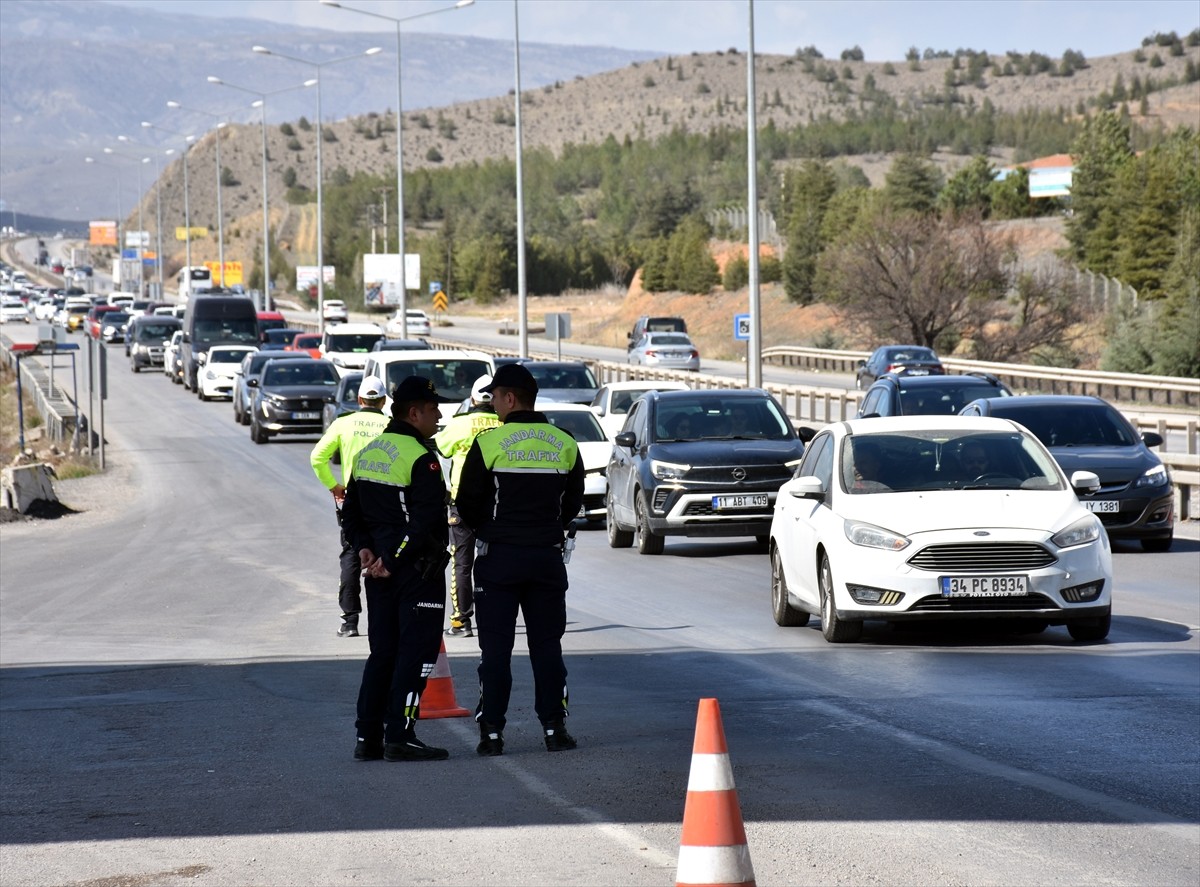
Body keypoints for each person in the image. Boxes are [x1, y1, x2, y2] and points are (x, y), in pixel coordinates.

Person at [455, 363, 585, 756]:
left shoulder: (490, 443)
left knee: (495, 650)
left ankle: (492, 733)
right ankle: (554, 730)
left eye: (494, 396)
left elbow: (466, 503)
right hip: (546, 558)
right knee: (547, 647)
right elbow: (573, 501)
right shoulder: (563, 441)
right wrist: (547, 530)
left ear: (510, 398)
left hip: (499, 560)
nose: (492, 404)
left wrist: (493, 531)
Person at [340, 376, 456, 762]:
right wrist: (389, 560)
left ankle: (366, 739)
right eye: (433, 408)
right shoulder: (422, 459)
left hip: (378, 573)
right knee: (417, 655)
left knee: (382, 654)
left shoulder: (369, 452)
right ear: (413, 412)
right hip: (414, 573)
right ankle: (400, 736)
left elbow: (350, 513)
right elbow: (424, 523)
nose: (439, 415)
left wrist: (366, 551)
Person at [309, 375, 391, 638]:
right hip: (385, 501)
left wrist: (333, 486)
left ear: (359, 400)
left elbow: (317, 457)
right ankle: (384, 617)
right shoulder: (390, 425)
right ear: (383, 401)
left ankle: (349, 621)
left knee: (351, 556)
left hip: (352, 500)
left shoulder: (344, 423)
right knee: (383, 556)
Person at [434, 375, 502, 639]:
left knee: (461, 563)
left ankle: (462, 622)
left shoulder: (460, 423)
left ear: (472, 399)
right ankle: (493, 616)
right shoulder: (504, 424)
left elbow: (442, 449)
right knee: (495, 562)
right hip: (496, 504)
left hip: (462, 503)